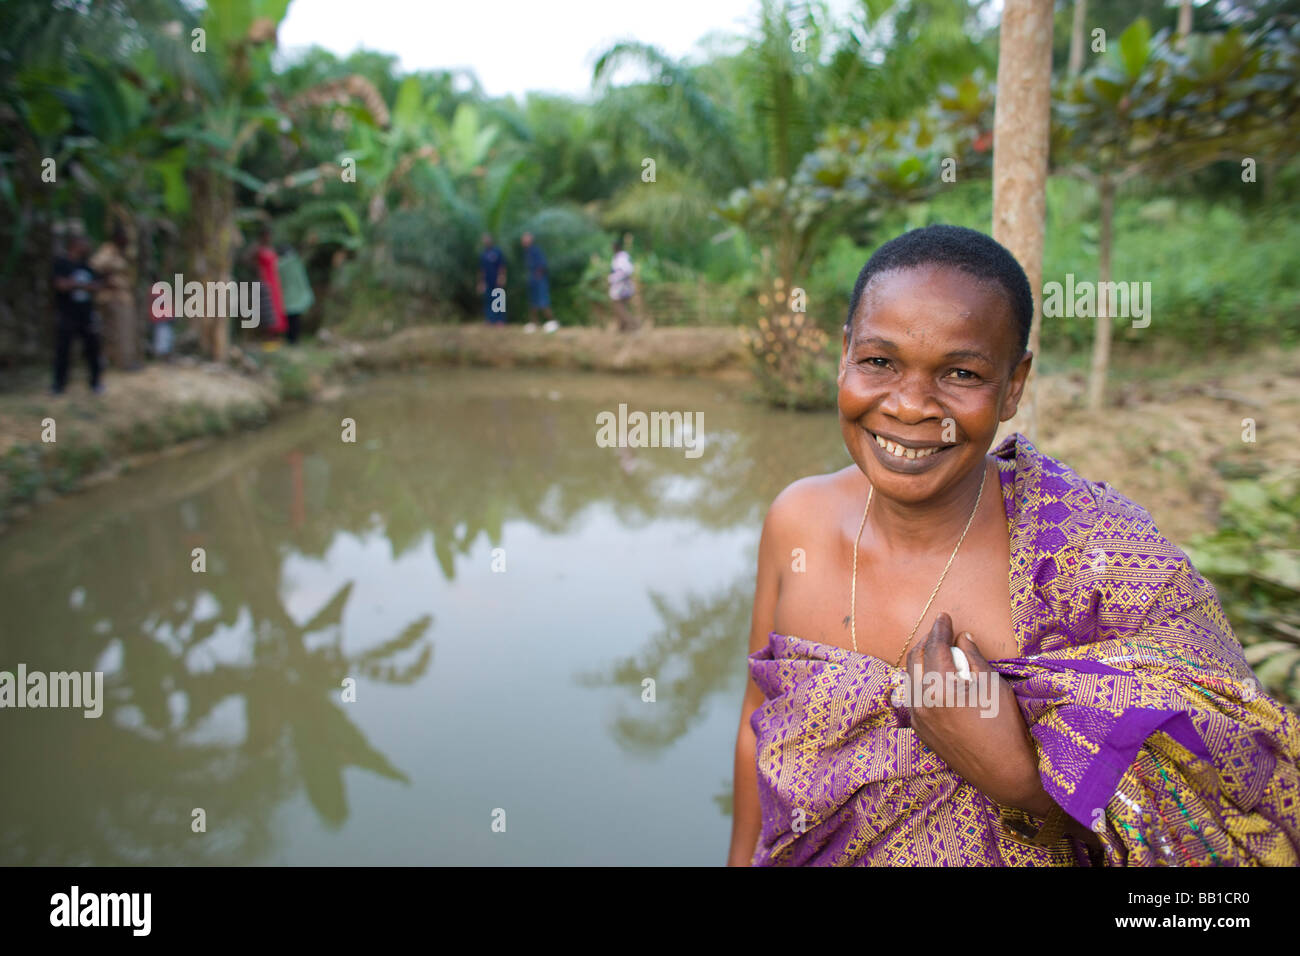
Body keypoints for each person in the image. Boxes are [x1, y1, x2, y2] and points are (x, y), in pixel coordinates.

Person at [729, 224, 1300, 867]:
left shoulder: (1095, 555)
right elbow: (759, 726)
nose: (913, 406)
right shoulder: (795, 521)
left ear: (1014, 384)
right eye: (879, 362)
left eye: (962, 372)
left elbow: (1236, 790)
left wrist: (1022, 781)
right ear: (844, 356)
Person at [51, 234, 104, 395]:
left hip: (86, 314)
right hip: (67, 313)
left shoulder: (87, 266)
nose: (87, 246)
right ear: (74, 244)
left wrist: (77, 285)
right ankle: (58, 386)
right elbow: (60, 285)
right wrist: (82, 285)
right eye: (84, 243)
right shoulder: (62, 263)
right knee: (63, 350)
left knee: (93, 349)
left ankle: (95, 384)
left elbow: (97, 286)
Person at [89, 224, 138, 370]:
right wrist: (105, 281)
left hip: (123, 298)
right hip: (111, 298)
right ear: (118, 237)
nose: (127, 240)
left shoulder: (124, 252)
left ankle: (123, 361)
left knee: (124, 331)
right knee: (113, 332)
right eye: (125, 237)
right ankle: (115, 362)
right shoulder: (107, 250)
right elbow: (95, 267)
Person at [253, 226, 287, 343]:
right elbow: (245, 259)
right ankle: (266, 337)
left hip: (274, 281)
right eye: (266, 235)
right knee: (266, 309)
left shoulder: (271, 248)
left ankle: (275, 336)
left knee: (276, 307)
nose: (268, 238)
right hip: (264, 281)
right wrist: (257, 268)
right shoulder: (257, 248)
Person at [276, 243, 314, 345]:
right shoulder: (293, 263)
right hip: (293, 295)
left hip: (289, 295)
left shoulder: (281, 264)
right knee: (294, 319)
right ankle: (292, 340)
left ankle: (292, 340)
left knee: (292, 319)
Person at [520, 233, 554, 325]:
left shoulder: (536, 250)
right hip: (531, 280)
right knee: (532, 302)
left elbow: (543, 264)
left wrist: (537, 275)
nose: (523, 242)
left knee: (543, 301)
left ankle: (552, 322)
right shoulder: (526, 252)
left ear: (530, 240)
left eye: (525, 240)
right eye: (522, 240)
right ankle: (534, 323)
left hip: (539, 279)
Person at [478, 234, 507, 325]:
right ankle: (490, 320)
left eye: (487, 239)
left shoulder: (497, 252)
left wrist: (502, 277)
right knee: (488, 300)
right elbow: (481, 270)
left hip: (497, 280)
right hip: (487, 281)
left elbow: (502, 266)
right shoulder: (483, 254)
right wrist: (481, 282)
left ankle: (500, 320)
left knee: (499, 300)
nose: (486, 241)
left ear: (491, 240)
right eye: (484, 240)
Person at [608, 237, 637, 332]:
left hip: (621, 287)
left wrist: (612, 278)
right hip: (622, 286)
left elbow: (624, 272)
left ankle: (633, 325)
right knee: (621, 307)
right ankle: (622, 328)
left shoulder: (621, 258)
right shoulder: (621, 257)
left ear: (616, 247)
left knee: (619, 308)